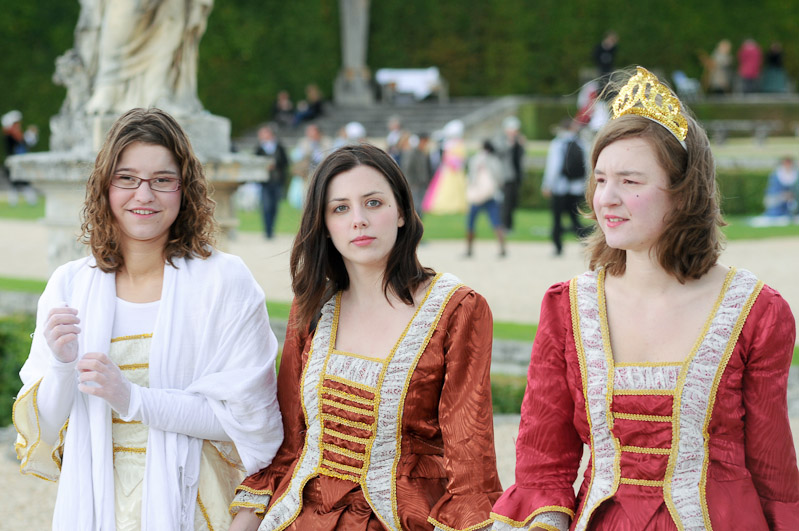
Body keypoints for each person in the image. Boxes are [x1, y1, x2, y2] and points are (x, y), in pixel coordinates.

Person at [490, 67, 799, 530]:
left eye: (630, 182)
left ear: (682, 193)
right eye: (600, 179)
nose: (606, 199)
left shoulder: (756, 311)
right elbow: (544, 463)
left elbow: (774, 473)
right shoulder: (568, 308)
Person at [13, 108, 283, 530]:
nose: (144, 194)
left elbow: (250, 422)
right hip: (95, 508)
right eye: (127, 178)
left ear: (185, 188)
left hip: (195, 508)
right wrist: (64, 366)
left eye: (162, 180)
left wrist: (132, 399)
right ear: (104, 187)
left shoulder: (225, 282)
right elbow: (45, 429)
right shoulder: (69, 285)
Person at [229, 143, 502, 530]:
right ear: (324, 225)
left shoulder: (457, 309)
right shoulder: (312, 307)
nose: (358, 220)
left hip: (407, 518)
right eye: (340, 208)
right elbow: (289, 446)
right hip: (301, 517)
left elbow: (469, 455)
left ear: (402, 212)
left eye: (373, 203)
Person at [541, 118, 590, 256]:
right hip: (576, 187)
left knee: (557, 219)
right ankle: (586, 244)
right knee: (575, 218)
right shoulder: (581, 143)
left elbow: (554, 167)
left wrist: (547, 185)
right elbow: (586, 166)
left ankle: (558, 247)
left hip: (560, 187)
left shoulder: (558, 143)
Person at [465, 140, 507, 258]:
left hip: (477, 195)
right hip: (491, 195)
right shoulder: (494, 160)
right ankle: (502, 248)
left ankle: (469, 249)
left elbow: (471, 175)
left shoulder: (476, 159)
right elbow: (500, 178)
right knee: (496, 222)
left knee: (471, 223)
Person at [422, 119, 468, 215]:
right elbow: (447, 157)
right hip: (450, 169)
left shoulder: (457, 143)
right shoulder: (452, 144)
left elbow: (461, 157)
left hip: (454, 169)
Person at [254, 124, 288, 239]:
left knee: (274, 206)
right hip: (265, 182)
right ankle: (267, 231)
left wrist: (276, 165)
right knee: (266, 206)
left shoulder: (279, 146)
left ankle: (272, 229)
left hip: (277, 181)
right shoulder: (259, 148)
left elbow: (285, 162)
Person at [2, 109, 39, 206]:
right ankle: (14, 202)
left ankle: (31, 201)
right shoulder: (9, 136)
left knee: (25, 182)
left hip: (22, 163)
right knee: (14, 184)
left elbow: (27, 143)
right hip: (14, 163)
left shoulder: (19, 135)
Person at [495, 116, 525, 233]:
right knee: (505, 202)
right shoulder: (501, 140)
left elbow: (520, 157)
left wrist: (521, 145)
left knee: (512, 202)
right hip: (506, 176)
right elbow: (499, 153)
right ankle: (504, 225)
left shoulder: (518, 141)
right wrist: (510, 143)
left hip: (515, 176)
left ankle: (510, 225)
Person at [401, 132, 434, 217]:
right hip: (414, 184)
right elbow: (407, 168)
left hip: (422, 183)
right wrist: (412, 182)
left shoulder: (423, 152)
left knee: (420, 206)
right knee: (415, 206)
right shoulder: (412, 153)